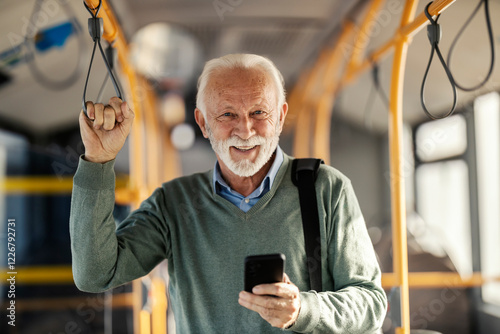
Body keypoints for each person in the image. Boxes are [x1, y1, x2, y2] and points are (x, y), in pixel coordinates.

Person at [70, 53, 387, 333]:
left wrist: (304, 310)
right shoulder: (174, 203)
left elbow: (371, 304)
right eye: (228, 115)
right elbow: (96, 274)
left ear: (280, 117)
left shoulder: (326, 188)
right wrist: (98, 161)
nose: (245, 130)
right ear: (203, 123)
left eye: (259, 113)